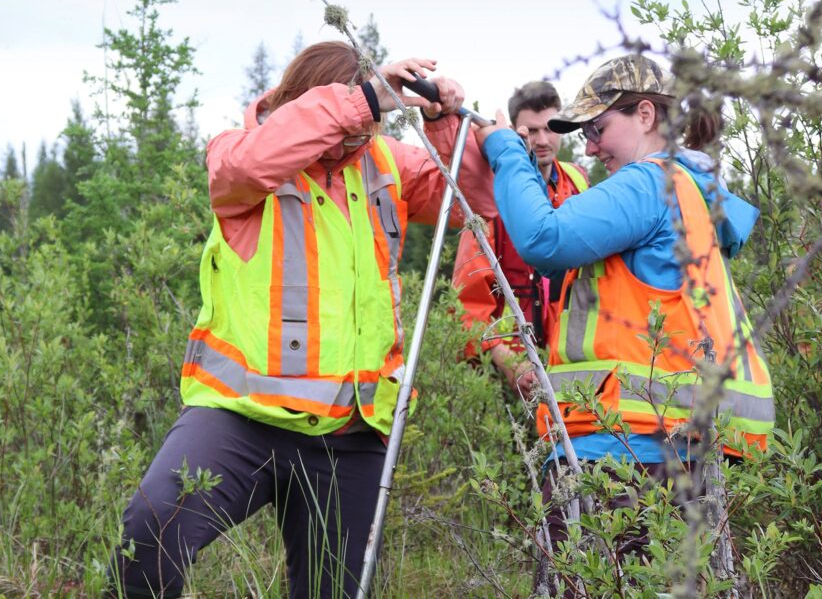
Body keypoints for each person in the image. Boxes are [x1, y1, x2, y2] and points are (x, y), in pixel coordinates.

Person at [106, 41, 494, 599]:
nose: (361, 135)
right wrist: (363, 99)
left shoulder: (383, 162)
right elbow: (250, 163)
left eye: (370, 122)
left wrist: (441, 125)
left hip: (350, 431)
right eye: (351, 118)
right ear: (304, 101)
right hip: (241, 419)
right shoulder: (238, 154)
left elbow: (471, 200)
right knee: (150, 532)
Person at [474, 54, 775, 571]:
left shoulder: (648, 184)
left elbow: (544, 239)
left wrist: (505, 149)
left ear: (644, 115)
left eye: (598, 128)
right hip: (675, 455)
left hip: (623, 460)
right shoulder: (689, 192)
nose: (589, 146)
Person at [451, 81, 588, 397]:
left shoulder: (579, 181)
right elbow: (467, 306)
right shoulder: (492, 194)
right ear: (514, 130)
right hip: (507, 376)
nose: (542, 140)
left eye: (550, 129)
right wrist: (509, 361)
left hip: (568, 368)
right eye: (532, 130)